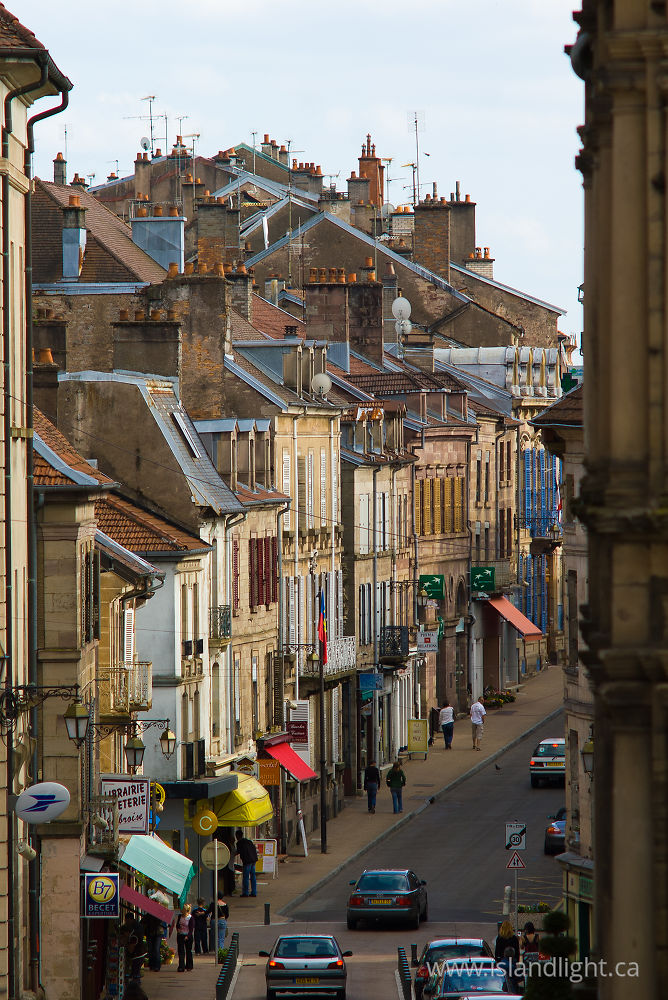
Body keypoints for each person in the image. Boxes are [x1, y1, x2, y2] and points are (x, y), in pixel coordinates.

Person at [120, 911, 147, 983]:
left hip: (137, 954)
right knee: (135, 972)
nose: (126, 921)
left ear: (130, 919)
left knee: (135, 972)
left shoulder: (134, 933)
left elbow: (131, 948)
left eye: (126, 920)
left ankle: (134, 985)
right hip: (139, 953)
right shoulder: (136, 927)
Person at [235, 829, 258, 897]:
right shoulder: (249, 841)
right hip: (253, 860)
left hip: (247, 861)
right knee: (253, 876)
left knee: (246, 877)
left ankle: (245, 892)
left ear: (237, 836)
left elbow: (238, 852)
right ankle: (254, 892)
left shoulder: (239, 843)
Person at [176, 902, 194, 972]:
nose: (181, 911)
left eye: (183, 909)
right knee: (181, 951)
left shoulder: (190, 918)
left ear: (186, 910)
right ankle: (181, 966)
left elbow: (191, 929)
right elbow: (177, 924)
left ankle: (189, 965)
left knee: (188, 951)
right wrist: (178, 929)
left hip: (187, 936)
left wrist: (187, 936)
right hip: (180, 935)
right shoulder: (180, 916)